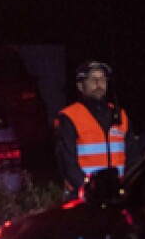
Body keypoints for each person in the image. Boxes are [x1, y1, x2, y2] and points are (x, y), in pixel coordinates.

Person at [54, 60, 137, 198]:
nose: (99, 83)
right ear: (81, 86)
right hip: (84, 196)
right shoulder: (69, 117)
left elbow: (133, 158)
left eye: (102, 78)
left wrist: (129, 187)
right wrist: (89, 190)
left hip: (117, 195)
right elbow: (68, 164)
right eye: (93, 79)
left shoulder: (120, 115)